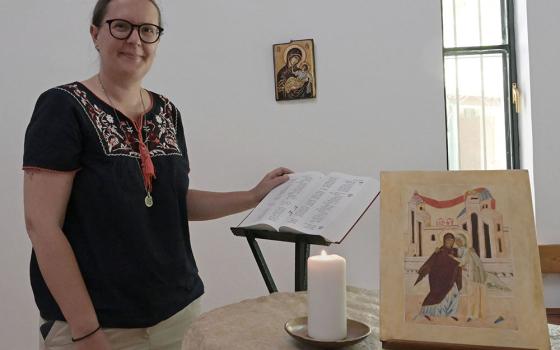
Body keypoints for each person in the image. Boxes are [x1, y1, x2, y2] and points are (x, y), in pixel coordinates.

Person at [22, 1, 291, 349]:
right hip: (100, 325)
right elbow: (41, 226)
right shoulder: (63, 107)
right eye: (121, 26)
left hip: (178, 313)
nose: (135, 39)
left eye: (148, 30)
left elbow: (173, 201)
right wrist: (86, 332)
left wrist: (252, 196)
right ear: (95, 34)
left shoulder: (167, 112)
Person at [414, 233, 462, 321]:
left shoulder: (455, 251)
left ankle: (451, 313)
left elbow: (461, 261)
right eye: (447, 240)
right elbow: (431, 262)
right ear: (444, 241)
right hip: (440, 279)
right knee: (435, 295)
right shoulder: (440, 251)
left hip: (452, 278)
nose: (449, 242)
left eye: (451, 240)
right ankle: (425, 312)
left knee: (454, 295)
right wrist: (424, 270)